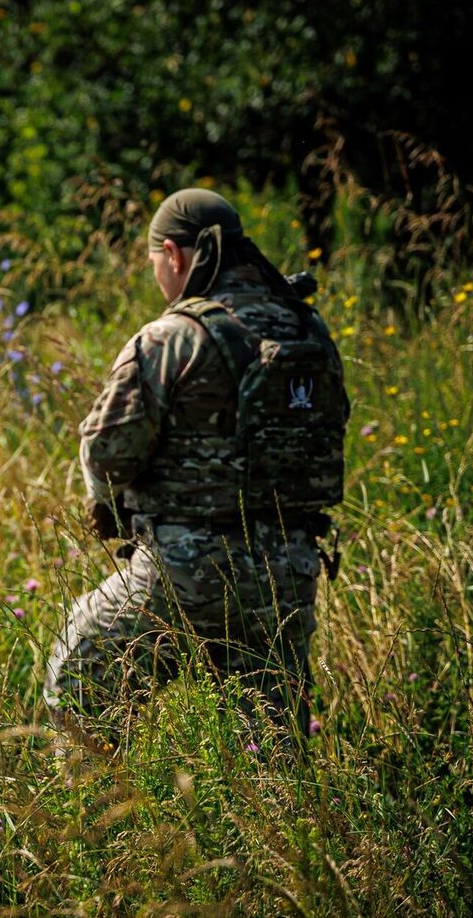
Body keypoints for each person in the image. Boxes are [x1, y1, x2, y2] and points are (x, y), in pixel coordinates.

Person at [43, 188, 349, 747]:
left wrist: (112, 509)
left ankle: (95, 820)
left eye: (155, 262)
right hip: (291, 570)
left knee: (80, 679)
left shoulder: (173, 336)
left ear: (174, 255)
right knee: (272, 734)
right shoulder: (308, 330)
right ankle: (286, 827)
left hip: (184, 573)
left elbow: (105, 454)